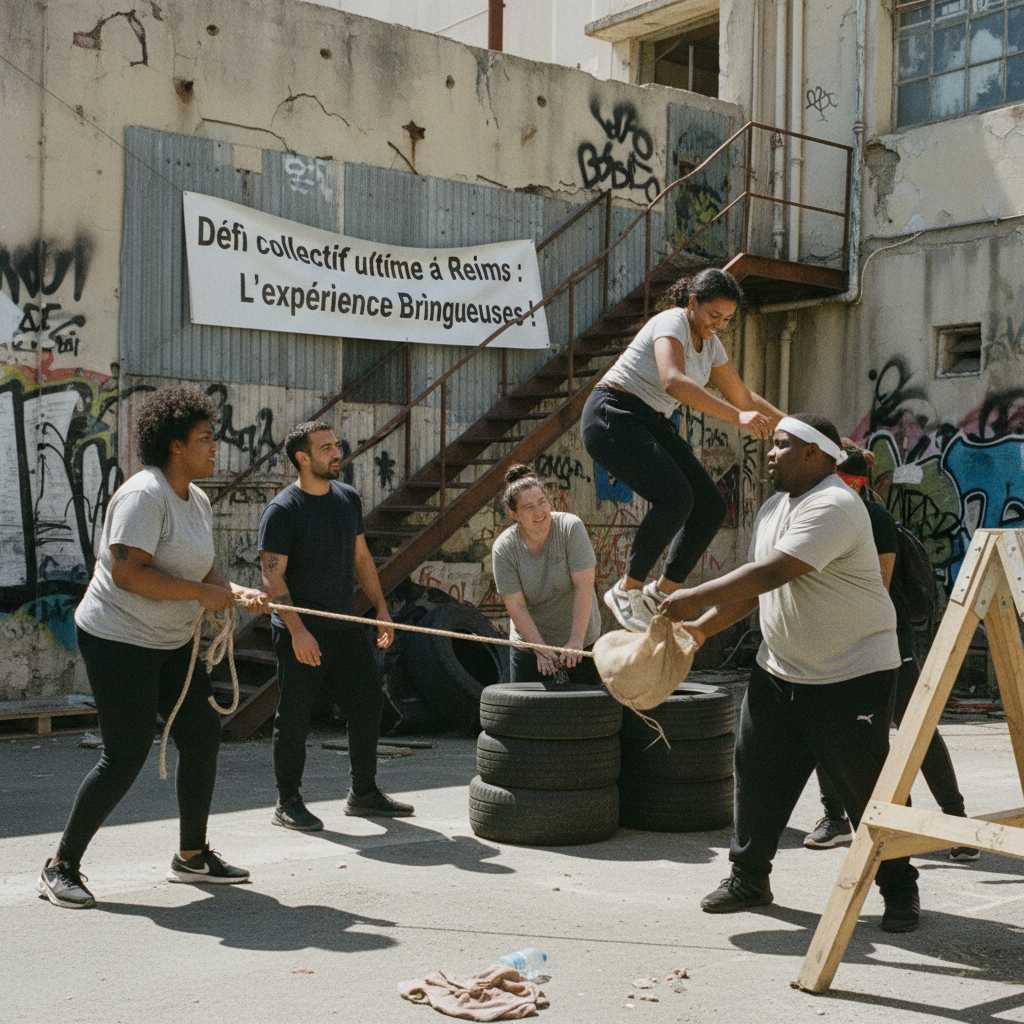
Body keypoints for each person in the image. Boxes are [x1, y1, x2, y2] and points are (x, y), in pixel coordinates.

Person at [661, 413, 922, 933]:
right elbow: (758, 591)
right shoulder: (776, 507)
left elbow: (774, 571)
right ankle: (749, 878)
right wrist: (701, 630)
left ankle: (899, 888)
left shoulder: (836, 505)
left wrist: (687, 598)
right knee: (756, 774)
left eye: (781, 445)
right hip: (779, 669)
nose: (770, 453)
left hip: (851, 673)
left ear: (813, 453)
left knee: (868, 789)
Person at [38, 386, 269, 910]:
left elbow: (200, 568)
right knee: (125, 755)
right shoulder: (145, 495)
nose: (216, 447)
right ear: (174, 446)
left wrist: (233, 590)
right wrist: (203, 594)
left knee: (201, 734)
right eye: (205, 439)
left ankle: (191, 856)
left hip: (170, 640)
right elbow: (126, 573)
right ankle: (60, 866)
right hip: (118, 638)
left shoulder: (198, 497)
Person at [581, 267, 782, 633]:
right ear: (692, 303)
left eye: (727, 319)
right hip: (613, 413)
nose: (718, 324)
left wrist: (801, 428)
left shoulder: (713, 346)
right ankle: (626, 590)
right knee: (675, 497)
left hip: (652, 421)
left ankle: (661, 593)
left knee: (710, 505)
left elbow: (744, 396)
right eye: (713, 315)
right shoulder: (671, 322)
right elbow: (672, 381)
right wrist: (738, 417)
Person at [805, 441, 979, 861]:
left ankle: (954, 822)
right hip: (836, 644)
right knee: (826, 730)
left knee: (915, 727)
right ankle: (835, 819)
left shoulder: (874, 520)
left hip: (884, 640)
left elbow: (876, 592)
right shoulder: (822, 514)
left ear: (853, 484)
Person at [258, 420, 411, 832]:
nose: (336, 452)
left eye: (336, 445)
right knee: (295, 716)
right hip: (302, 628)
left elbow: (361, 558)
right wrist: (297, 630)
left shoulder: (346, 499)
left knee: (368, 704)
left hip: (343, 624)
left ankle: (363, 793)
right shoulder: (283, 510)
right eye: (326, 447)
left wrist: (381, 608)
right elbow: (272, 577)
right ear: (302, 458)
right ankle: (287, 801)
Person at [492, 465, 602, 685]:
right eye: (529, 507)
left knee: (589, 715)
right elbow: (516, 605)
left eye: (542, 502)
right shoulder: (504, 548)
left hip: (581, 638)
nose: (539, 511)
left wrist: (576, 641)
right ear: (514, 515)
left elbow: (584, 585)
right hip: (531, 644)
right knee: (528, 716)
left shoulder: (571, 528)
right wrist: (539, 649)